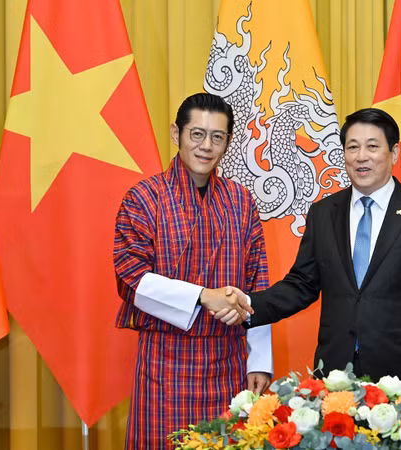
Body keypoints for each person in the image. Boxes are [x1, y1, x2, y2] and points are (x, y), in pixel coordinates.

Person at [224, 108, 401, 398]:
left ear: (394, 153)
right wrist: (248, 303)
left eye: (373, 146)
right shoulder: (324, 213)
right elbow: (302, 285)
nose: (362, 156)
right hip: (334, 378)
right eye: (353, 147)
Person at [113, 93, 271, 449]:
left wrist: (259, 359)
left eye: (217, 137)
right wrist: (203, 296)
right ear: (176, 133)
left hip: (228, 363)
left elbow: (259, 281)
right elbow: (130, 279)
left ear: (228, 142)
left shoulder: (241, 201)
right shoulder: (143, 198)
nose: (206, 146)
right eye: (196, 134)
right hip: (165, 364)